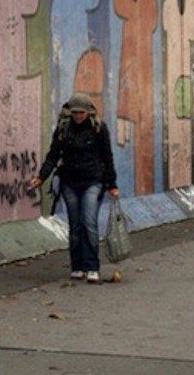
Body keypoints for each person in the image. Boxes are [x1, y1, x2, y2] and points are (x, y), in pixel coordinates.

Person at [30, 92, 118, 284]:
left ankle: (92, 267)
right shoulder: (63, 129)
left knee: (89, 222)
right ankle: (77, 267)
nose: (78, 116)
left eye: (81, 113)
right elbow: (53, 155)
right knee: (75, 226)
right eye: (75, 112)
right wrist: (41, 177)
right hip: (70, 182)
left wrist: (112, 184)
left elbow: (107, 157)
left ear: (88, 112)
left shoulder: (99, 129)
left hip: (93, 182)